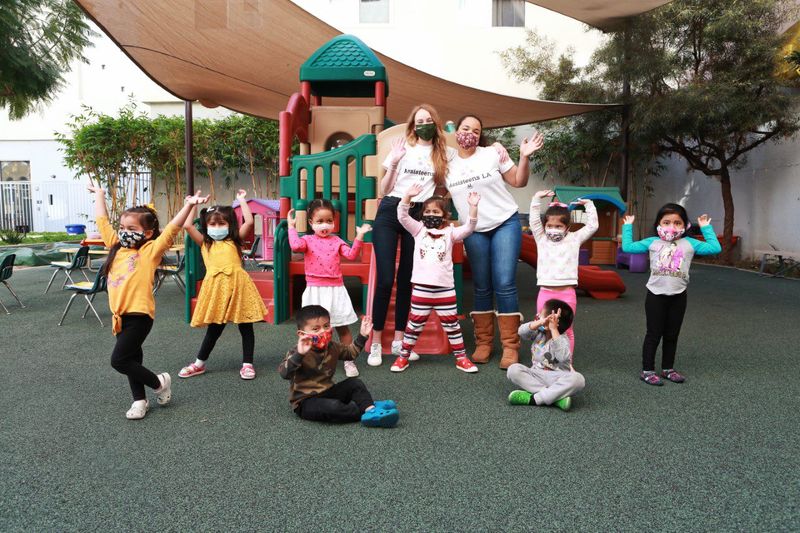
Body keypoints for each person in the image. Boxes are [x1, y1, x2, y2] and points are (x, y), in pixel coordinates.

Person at [88, 184, 207, 420]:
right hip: (119, 317)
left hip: (140, 317)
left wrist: (188, 205)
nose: (124, 232)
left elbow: (172, 229)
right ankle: (139, 401)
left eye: (131, 228)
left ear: (148, 233)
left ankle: (159, 382)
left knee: (119, 360)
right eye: (122, 227)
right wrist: (101, 195)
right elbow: (102, 220)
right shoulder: (116, 247)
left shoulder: (150, 251)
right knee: (132, 359)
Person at [446, 114, 544, 369]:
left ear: (481, 136)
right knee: (481, 284)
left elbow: (518, 181)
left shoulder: (492, 153)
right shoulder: (446, 161)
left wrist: (524, 156)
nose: (471, 133)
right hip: (474, 228)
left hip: (504, 223)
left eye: (476, 131)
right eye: (466, 128)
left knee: (504, 282)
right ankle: (484, 343)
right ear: (456, 131)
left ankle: (510, 346)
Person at [368, 104, 454, 367]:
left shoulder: (444, 153)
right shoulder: (402, 148)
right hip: (391, 208)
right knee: (385, 280)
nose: (423, 124)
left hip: (419, 214)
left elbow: (447, 185)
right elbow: (383, 187)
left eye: (428, 119)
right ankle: (375, 343)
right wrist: (393, 162)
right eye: (419, 121)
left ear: (435, 123)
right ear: (413, 125)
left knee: (407, 278)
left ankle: (399, 340)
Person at [622, 204, 721, 385]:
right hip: (655, 295)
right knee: (653, 333)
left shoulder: (690, 243)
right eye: (666, 222)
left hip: (678, 295)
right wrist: (628, 225)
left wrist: (706, 227)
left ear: (685, 226)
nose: (671, 227)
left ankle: (668, 369)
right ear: (658, 223)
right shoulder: (652, 242)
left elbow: (715, 248)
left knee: (672, 334)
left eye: (677, 223)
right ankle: (647, 370)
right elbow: (628, 247)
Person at [178, 190, 268, 381]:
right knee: (214, 329)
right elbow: (186, 225)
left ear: (230, 225)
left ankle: (247, 364)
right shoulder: (205, 243)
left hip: (239, 287)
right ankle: (199, 364)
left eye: (222, 223)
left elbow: (250, 222)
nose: (217, 227)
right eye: (212, 224)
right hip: (217, 289)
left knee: (246, 326)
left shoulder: (235, 241)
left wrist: (242, 200)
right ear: (206, 226)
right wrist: (193, 204)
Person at [390, 183, 480, 373]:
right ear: (423, 214)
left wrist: (473, 207)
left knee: (452, 326)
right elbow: (402, 216)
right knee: (414, 325)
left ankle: (461, 358)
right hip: (422, 288)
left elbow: (470, 227)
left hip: (444, 289)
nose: (431, 215)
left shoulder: (450, 233)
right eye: (428, 211)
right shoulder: (418, 230)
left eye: (436, 212)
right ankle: (403, 357)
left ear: (445, 216)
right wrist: (407, 196)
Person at [287, 198, 372, 378]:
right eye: (319, 221)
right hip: (315, 290)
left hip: (336, 290)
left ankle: (349, 361)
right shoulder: (307, 240)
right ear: (311, 222)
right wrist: (291, 227)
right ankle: (312, 360)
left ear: (334, 221)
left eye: (329, 221)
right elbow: (295, 246)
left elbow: (351, 254)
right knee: (313, 329)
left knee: (342, 327)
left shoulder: (336, 241)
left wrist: (359, 237)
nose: (325, 225)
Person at [278, 305, 399, 427]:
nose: (323, 332)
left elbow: (351, 353)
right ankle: (367, 408)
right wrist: (299, 354)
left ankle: (369, 407)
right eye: (315, 329)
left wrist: (363, 335)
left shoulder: (332, 346)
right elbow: (284, 373)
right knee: (334, 407)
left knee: (354, 383)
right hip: (305, 402)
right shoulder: (297, 352)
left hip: (328, 391)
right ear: (301, 334)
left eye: (326, 326)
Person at [529, 189, 598, 355]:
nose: (553, 229)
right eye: (550, 226)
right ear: (544, 226)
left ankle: (566, 363)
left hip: (567, 293)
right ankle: (540, 362)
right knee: (542, 328)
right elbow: (534, 221)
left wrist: (590, 206)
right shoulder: (541, 238)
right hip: (545, 292)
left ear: (567, 227)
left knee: (567, 330)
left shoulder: (574, 238)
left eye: (558, 226)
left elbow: (592, 226)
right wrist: (536, 198)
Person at [506, 299, 585, 411]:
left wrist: (553, 329)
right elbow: (521, 332)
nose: (538, 315)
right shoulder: (538, 333)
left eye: (541, 314)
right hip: (536, 375)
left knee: (578, 379)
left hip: (557, 378)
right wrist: (540, 322)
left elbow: (562, 356)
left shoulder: (562, 339)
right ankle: (555, 398)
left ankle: (535, 398)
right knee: (513, 370)